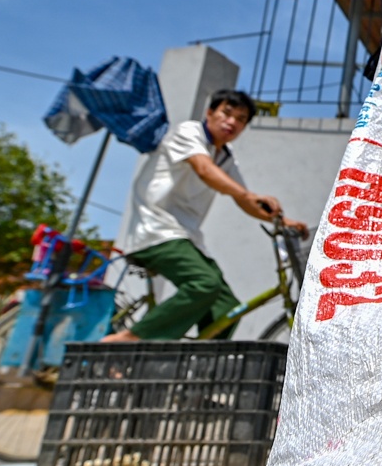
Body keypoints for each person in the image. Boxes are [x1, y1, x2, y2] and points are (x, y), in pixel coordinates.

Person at [102, 90, 299, 342]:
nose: (232, 122)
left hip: (184, 236)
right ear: (209, 113)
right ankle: (133, 338)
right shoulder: (189, 133)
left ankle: (199, 369)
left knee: (226, 307)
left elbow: (243, 198)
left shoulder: (225, 157)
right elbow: (205, 170)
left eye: (240, 119)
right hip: (154, 230)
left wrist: (284, 222)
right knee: (204, 283)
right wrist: (249, 197)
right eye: (226, 113)